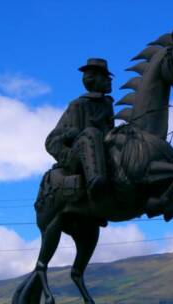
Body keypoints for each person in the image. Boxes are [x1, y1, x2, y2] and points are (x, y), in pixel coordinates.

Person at [45, 58, 115, 200]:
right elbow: (51, 142)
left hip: (101, 152)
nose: (110, 80)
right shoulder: (78, 105)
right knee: (91, 133)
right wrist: (68, 135)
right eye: (105, 77)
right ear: (94, 79)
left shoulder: (107, 104)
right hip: (76, 156)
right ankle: (95, 183)